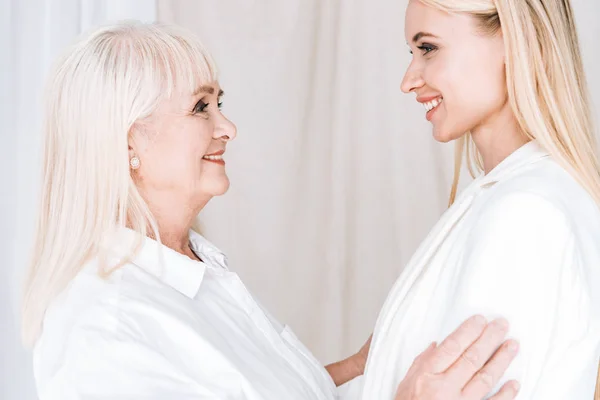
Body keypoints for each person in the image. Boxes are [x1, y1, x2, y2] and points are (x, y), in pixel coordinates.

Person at [20, 21, 521, 400]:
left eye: (220, 103)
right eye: (201, 107)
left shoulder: (200, 272)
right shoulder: (100, 327)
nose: (228, 127)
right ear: (129, 141)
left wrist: (364, 366)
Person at [358, 0, 600, 399]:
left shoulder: (524, 213)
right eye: (412, 52)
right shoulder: (532, 193)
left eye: (429, 48)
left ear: (515, 42)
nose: (408, 80)